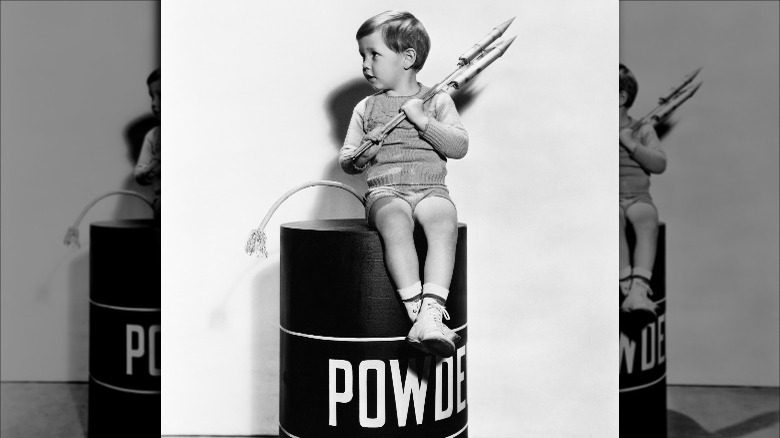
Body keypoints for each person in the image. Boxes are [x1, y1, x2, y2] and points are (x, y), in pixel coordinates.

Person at [339, 11, 468, 356]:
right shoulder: (365, 107)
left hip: (431, 189)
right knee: (395, 219)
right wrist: (366, 152)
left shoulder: (437, 100)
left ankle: (430, 310)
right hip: (385, 191)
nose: (366, 64)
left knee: (443, 219)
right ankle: (419, 318)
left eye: (374, 54)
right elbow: (347, 160)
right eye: (362, 56)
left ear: (408, 59)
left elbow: (459, 146)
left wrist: (423, 121)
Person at [619, 64, 667, 315]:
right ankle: (624, 283)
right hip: (610, 200)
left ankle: (639, 287)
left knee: (646, 217)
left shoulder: (642, 129)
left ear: (621, 97)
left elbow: (660, 164)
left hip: (638, 197)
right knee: (610, 218)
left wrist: (632, 145)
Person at [135, 68, 161, 222]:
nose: (154, 103)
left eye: (161, 96)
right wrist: (149, 170)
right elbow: (139, 173)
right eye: (152, 96)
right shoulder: (154, 136)